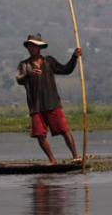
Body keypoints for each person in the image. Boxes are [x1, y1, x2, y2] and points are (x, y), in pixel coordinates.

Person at [16, 33, 82, 165]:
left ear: (39, 47)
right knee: (40, 135)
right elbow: (19, 79)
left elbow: (65, 70)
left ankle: (75, 157)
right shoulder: (24, 65)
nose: (31, 48)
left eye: (34, 46)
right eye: (29, 46)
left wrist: (74, 57)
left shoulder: (49, 61)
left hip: (52, 103)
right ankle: (52, 160)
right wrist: (29, 74)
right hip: (36, 105)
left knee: (64, 130)